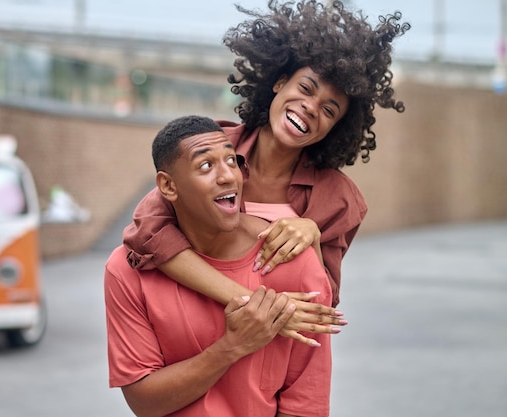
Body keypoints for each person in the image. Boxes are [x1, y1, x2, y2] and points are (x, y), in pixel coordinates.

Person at [122, 0, 409, 343]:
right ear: (279, 83)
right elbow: (147, 233)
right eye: (305, 88)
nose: (310, 108)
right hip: (188, 339)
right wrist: (246, 301)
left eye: (329, 110)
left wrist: (312, 237)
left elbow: (322, 306)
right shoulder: (211, 147)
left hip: (271, 358)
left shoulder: (339, 200)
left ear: (335, 127)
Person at [105, 115, 333, 417]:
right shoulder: (126, 270)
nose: (228, 176)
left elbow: (305, 406)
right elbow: (144, 402)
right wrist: (233, 345)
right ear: (168, 186)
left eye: (231, 160)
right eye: (206, 165)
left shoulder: (295, 262)